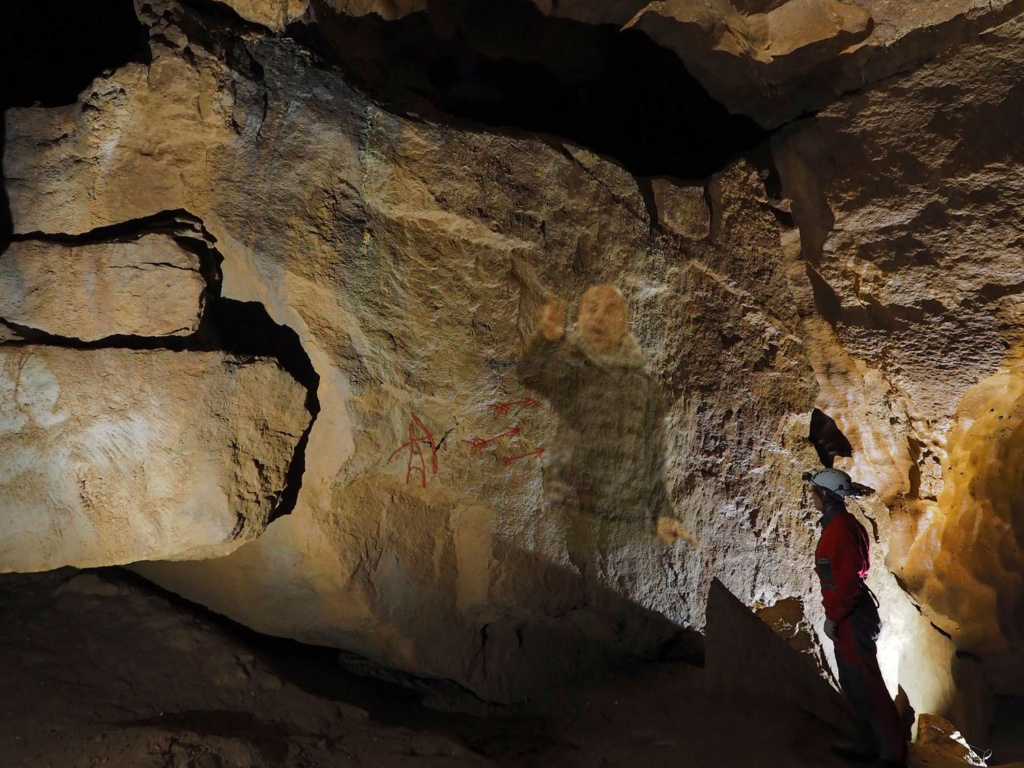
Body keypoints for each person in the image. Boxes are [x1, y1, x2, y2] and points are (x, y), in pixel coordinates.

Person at [517, 284, 690, 583]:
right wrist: (547, 341)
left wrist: (663, 512)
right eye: (591, 308)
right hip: (572, 511)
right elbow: (531, 376)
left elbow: (652, 456)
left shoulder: (643, 385)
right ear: (580, 318)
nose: (599, 317)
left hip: (626, 517)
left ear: (625, 322)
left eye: (610, 309)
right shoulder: (571, 364)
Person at [805, 468, 907, 768]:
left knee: (868, 684)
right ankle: (868, 743)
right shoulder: (844, 525)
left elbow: (847, 583)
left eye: (814, 492)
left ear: (825, 495)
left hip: (851, 616)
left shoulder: (839, 530)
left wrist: (834, 618)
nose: (811, 497)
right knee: (853, 683)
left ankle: (893, 755)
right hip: (851, 612)